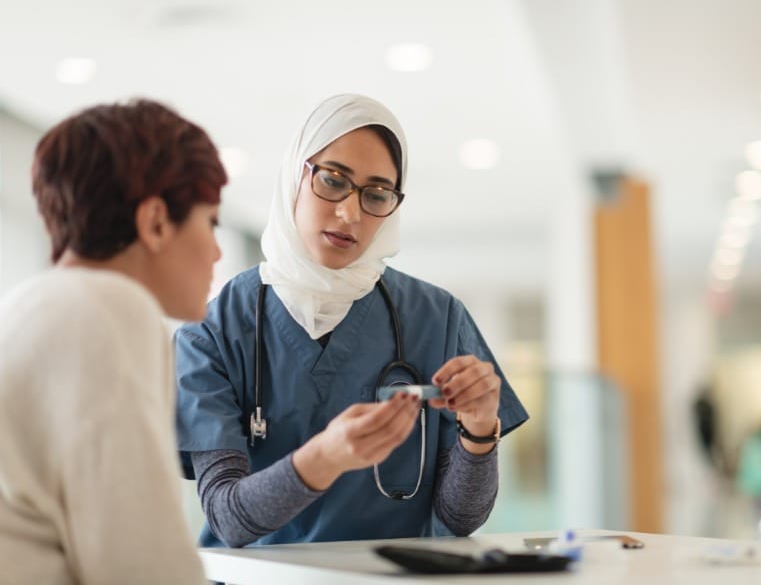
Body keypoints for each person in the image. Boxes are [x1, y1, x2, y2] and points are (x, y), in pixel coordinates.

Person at [175, 93, 529, 548]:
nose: (350, 213)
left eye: (377, 194)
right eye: (333, 181)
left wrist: (479, 429)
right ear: (296, 176)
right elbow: (229, 518)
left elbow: (461, 517)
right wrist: (327, 455)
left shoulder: (437, 317)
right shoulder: (214, 328)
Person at [0, 99, 227, 583]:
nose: (216, 250)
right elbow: (139, 565)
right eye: (210, 222)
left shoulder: (26, 307)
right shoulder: (108, 308)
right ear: (156, 223)